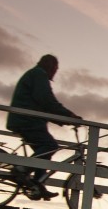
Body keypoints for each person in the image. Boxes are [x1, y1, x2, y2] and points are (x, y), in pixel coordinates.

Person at [6, 54, 82, 200]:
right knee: (50, 146)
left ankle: (37, 183)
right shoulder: (39, 75)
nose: (55, 72)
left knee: (43, 153)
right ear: (50, 66)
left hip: (27, 120)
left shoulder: (35, 74)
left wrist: (65, 118)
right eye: (55, 68)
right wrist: (69, 116)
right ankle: (21, 170)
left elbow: (44, 104)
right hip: (27, 121)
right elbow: (46, 101)